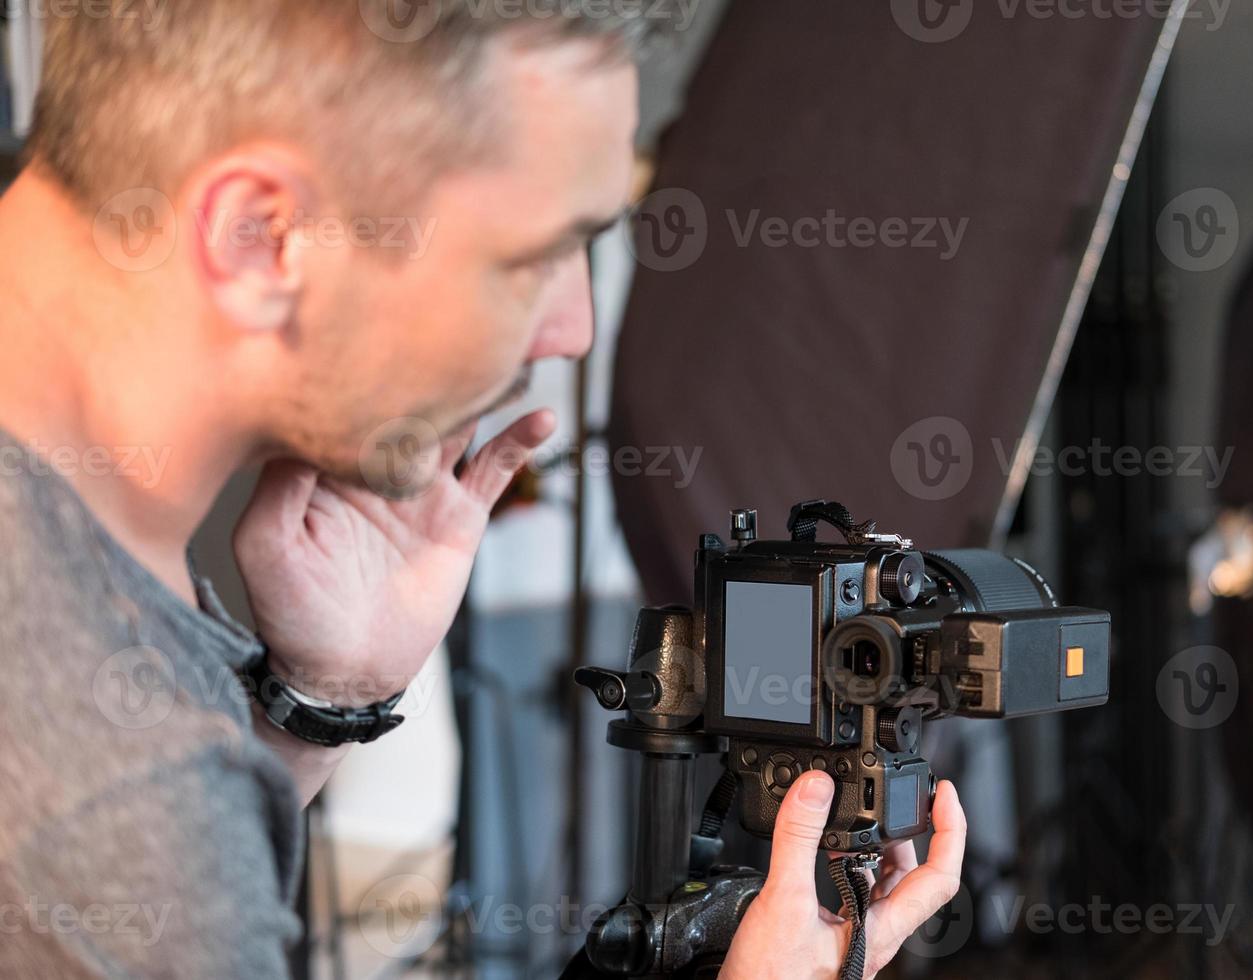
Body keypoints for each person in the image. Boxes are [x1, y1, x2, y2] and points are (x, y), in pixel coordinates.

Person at [0, 3, 965, 976]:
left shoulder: (80, 614)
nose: (572, 330)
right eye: (534, 253)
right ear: (261, 234)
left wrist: (316, 704)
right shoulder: (108, 771)